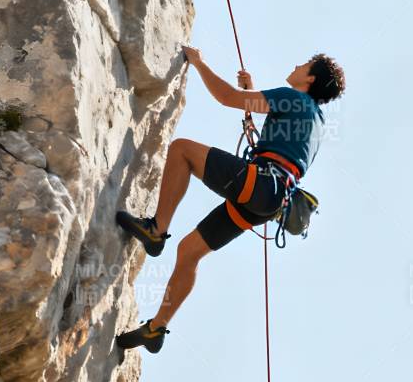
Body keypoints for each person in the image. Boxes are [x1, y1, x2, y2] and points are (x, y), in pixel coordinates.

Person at [115, 47, 345, 353]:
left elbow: (226, 97)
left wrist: (198, 63)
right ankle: (156, 328)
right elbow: (284, 141)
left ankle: (156, 230)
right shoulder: (316, 120)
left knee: (182, 150)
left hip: (262, 184)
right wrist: (252, 93)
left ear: (310, 77)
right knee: (189, 251)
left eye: (303, 64)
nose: (296, 64)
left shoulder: (293, 98)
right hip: (269, 201)